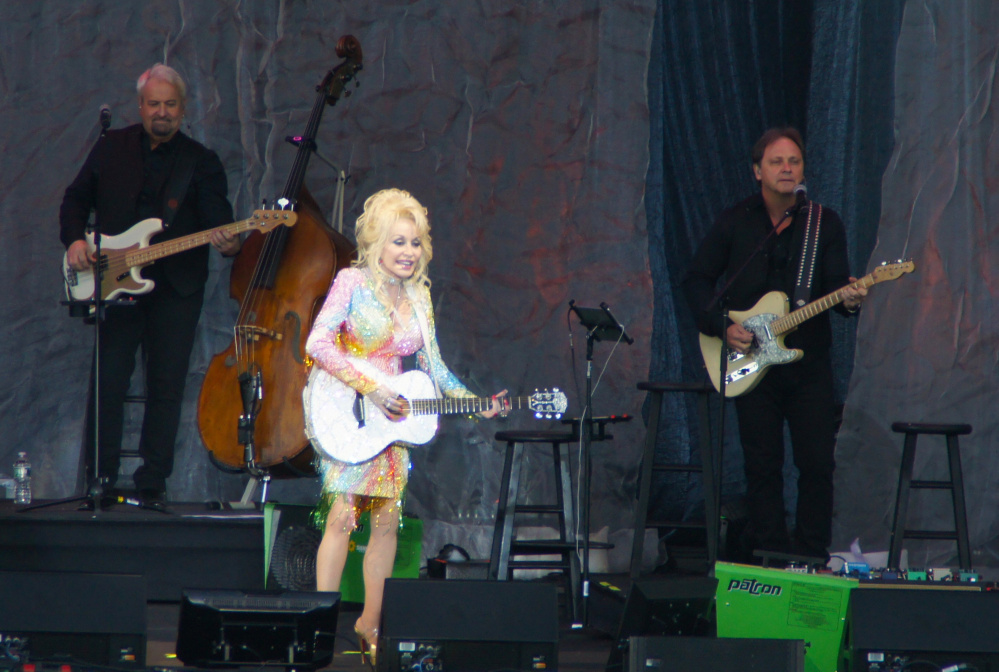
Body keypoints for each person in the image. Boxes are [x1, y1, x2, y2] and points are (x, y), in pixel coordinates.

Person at [304, 188, 505, 664]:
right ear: (376, 243)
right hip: (350, 406)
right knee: (341, 518)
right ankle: (317, 624)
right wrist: (369, 387)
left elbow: (434, 369)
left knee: (387, 523)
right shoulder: (352, 283)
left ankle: (370, 624)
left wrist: (474, 404)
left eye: (415, 244)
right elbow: (317, 342)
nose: (408, 253)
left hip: (393, 419)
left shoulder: (419, 295)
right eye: (398, 242)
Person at [681, 127, 866, 563]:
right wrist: (721, 325)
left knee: (817, 464)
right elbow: (695, 280)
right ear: (757, 171)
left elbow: (838, 289)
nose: (787, 168)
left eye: (795, 161)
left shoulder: (825, 222)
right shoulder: (735, 221)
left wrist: (852, 298)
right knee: (761, 466)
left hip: (809, 366)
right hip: (750, 363)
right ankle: (770, 559)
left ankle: (811, 559)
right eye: (777, 162)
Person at [60, 64, 241, 508]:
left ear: (183, 108)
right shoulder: (111, 147)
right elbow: (74, 199)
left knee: (167, 385)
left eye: (171, 104)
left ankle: (152, 480)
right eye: (154, 104)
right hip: (113, 282)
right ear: (140, 106)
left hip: (176, 289)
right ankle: (98, 477)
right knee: (108, 381)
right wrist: (74, 242)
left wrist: (230, 241)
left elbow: (223, 228)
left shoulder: (201, 162)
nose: (162, 112)